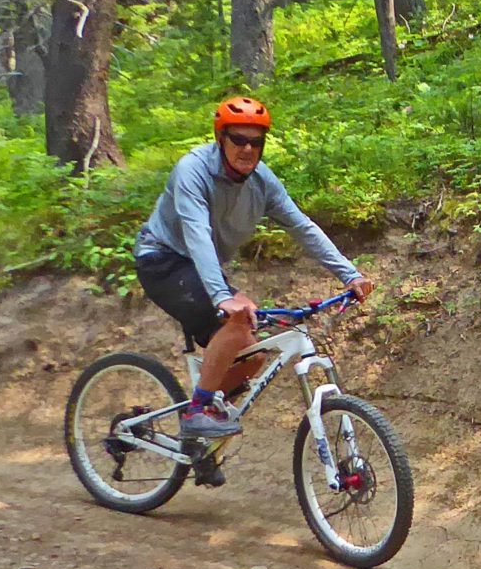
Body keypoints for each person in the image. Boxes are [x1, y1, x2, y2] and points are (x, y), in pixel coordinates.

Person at [134, 96, 375, 441]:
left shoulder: (262, 181)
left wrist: (349, 273)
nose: (247, 148)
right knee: (238, 318)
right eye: (238, 140)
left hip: (201, 268)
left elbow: (301, 226)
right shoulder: (193, 170)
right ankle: (197, 412)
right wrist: (222, 296)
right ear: (221, 139)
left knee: (253, 356)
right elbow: (197, 233)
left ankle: (202, 414)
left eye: (256, 141)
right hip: (162, 260)